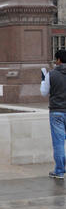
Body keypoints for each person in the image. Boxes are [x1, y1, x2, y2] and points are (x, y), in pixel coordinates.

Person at [41, 49, 66, 179]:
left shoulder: (51, 74)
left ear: (58, 60)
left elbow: (44, 92)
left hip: (57, 111)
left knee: (59, 143)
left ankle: (60, 171)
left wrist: (43, 80)